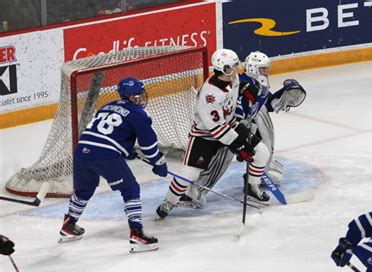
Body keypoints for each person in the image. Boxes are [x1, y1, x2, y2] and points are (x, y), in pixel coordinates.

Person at [58, 77, 168, 253]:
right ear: (130, 97)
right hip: (105, 155)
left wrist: (125, 149)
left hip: (81, 151)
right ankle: (137, 234)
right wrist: (158, 162)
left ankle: (68, 226)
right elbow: (148, 146)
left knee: (84, 190)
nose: (140, 98)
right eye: (137, 95)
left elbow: (107, 133)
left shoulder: (106, 106)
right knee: (131, 189)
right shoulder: (139, 113)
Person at [183, 50, 306, 208]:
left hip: (238, 129)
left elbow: (265, 104)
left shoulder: (258, 84)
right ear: (253, 68)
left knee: (260, 152)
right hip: (224, 130)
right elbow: (234, 113)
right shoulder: (241, 82)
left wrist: (284, 94)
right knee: (220, 162)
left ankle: (251, 185)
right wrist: (240, 141)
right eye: (262, 68)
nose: (265, 72)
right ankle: (191, 194)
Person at [155, 48, 262, 219]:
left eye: (235, 66)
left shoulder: (232, 78)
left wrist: (244, 88)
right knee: (189, 174)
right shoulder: (210, 94)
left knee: (261, 152)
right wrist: (240, 145)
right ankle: (169, 202)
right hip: (205, 135)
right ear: (222, 69)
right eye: (230, 67)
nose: (234, 70)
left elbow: (235, 93)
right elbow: (216, 128)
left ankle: (252, 188)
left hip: (229, 125)